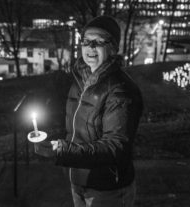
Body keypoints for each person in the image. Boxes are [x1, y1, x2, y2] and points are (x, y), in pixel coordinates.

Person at [34, 15, 143, 207]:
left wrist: (64, 151)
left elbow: (114, 147)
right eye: (86, 41)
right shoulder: (80, 79)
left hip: (107, 187)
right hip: (78, 178)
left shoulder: (121, 90)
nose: (90, 47)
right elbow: (75, 127)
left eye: (99, 41)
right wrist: (51, 140)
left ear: (113, 48)